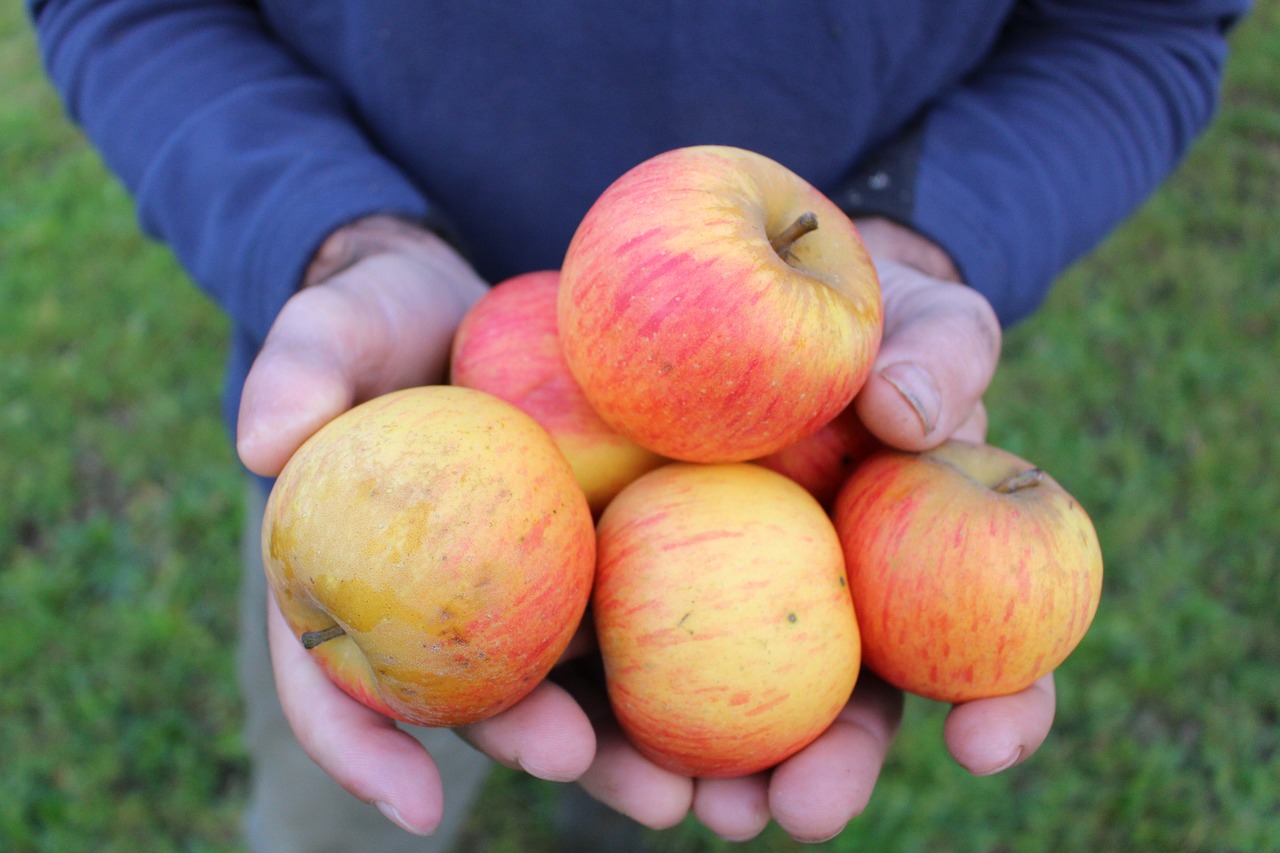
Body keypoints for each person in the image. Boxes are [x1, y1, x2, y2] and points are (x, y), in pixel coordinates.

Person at [28, 2, 1249, 849]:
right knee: (343, 804)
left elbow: (1137, 24)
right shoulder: (379, 479)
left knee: (629, 770)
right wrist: (339, 234)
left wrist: (925, 233)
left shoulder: (812, 405)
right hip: (383, 470)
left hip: (797, 471)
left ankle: (595, 830)